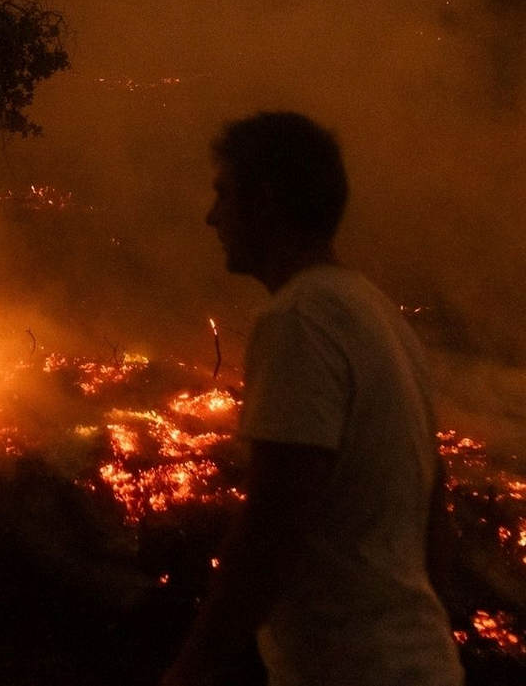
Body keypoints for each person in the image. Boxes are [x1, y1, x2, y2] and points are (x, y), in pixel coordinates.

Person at [162, 111, 463, 686]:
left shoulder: (301, 319)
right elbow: (435, 521)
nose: (211, 216)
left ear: (267, 200)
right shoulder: (378, 316)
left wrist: (189, 673)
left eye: (224, 194)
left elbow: (271, 529)